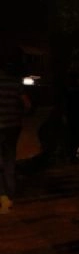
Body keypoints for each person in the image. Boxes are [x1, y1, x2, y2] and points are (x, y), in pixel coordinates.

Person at [0, 46, 31, 213]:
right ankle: (10, 194)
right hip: (13, 125)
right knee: (10, 159)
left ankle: (2, 195)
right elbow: (27, 104)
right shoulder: (15, 82)